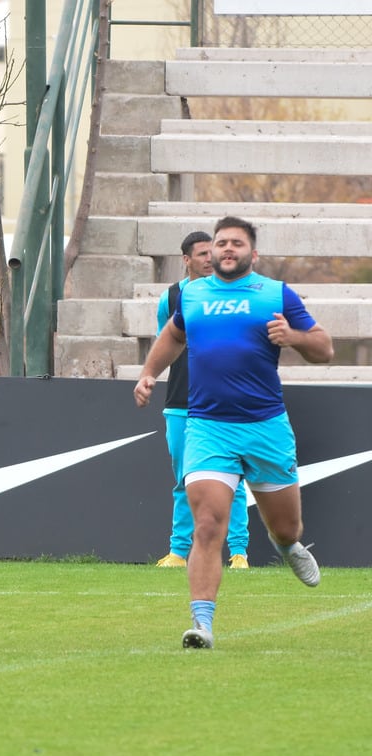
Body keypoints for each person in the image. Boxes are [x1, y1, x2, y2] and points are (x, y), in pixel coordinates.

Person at [134, 216, 333, 649]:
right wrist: (149, 372)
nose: (227, 249)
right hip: (207, 426)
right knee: (207, 524)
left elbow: (325, 347)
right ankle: (201, 625)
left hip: (265, 428)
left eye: (236, 244)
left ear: (252, 253)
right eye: (221, 242)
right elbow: (173, 335)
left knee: (285, 526)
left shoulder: (275, 294)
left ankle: (287, 546)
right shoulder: (192, 294)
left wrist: (294, 336)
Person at [154, 231, 250, 569]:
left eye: (213, 253)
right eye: (202, 254)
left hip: (224, 403)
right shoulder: (170, 298)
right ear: (186, 260)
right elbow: (163, 346)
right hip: (181, 402)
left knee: (232, 481)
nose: (210, 259)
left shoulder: (233, 295)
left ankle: (239, 553)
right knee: (183, 480)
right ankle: (179, 553)